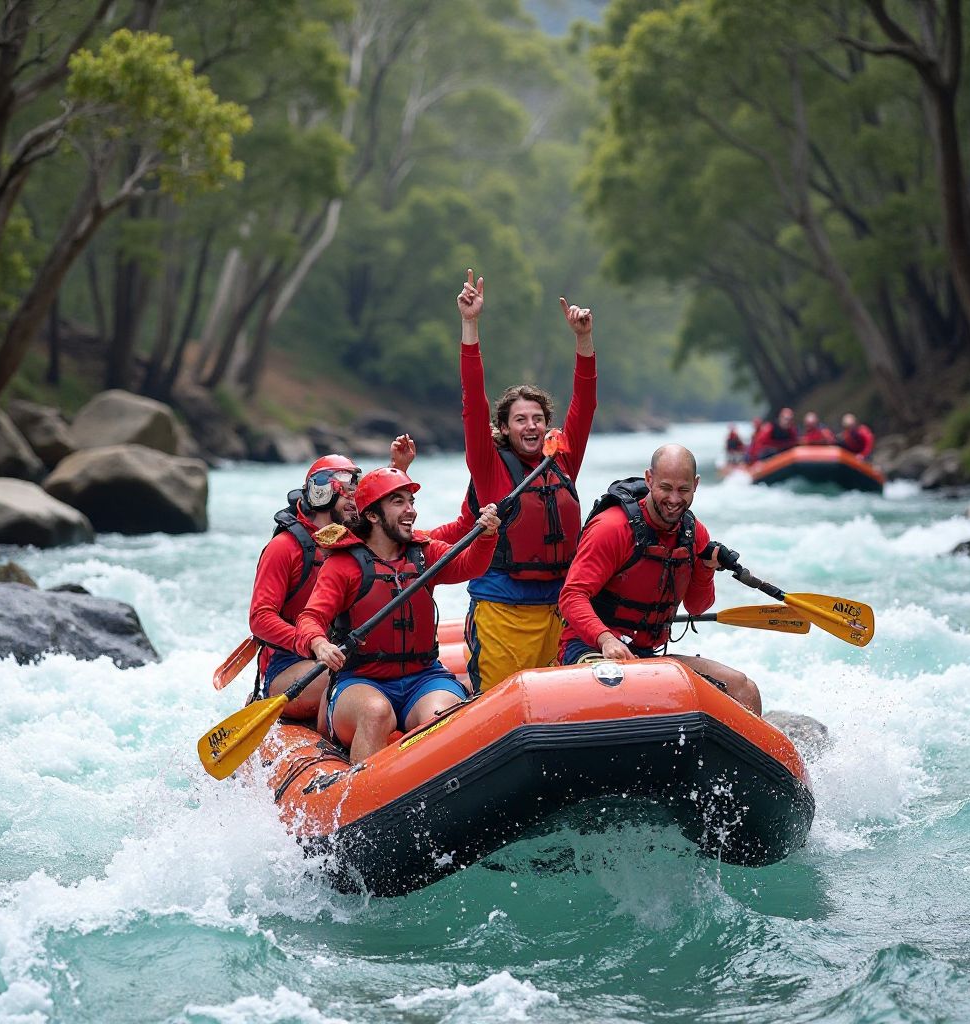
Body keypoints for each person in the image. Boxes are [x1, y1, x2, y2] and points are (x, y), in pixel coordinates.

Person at [431, 269, 597, 692]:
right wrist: (470, 325)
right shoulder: (488, 467)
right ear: (503, 428)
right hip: (501, 611)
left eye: (539, 419)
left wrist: (583, 341)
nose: (532, 426)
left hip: (557, 609)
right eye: (520, 419)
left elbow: (586, 403)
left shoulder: (561, 461)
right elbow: (473, 401)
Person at [295, 467, 501, 762]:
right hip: (361, 681)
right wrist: (319, 643)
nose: (411, 511)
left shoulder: (423, 554)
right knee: (375, 712)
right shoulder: (344, 565)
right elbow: (310, 618)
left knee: (443, 714)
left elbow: (470, 566)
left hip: (423, 677)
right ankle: (361, 800)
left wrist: (487, 536)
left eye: (412, 502)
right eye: (399, 502)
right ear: (373, 515)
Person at [557, 444, 762, 714]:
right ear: (649, 479)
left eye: (683, 490)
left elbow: (697, 607)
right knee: (624, 693)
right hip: (590, 647)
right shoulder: (611, 528)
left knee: (743, 688)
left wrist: (706, 568)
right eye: (665, 488)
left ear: (696, 485)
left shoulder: (694, 533)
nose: (674, 499)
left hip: (644, 657)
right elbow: (571, 597)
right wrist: (606, 639)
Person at [247, 438, 415, 720]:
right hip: (290, 664)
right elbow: (260, 618)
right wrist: (314, 644)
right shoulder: (284, 548)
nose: (356, 502)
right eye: (349, 494)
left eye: (357, 494)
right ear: (323, 493)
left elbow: (387, 521)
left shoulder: (353, 541)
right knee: (352, 682)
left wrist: (397, 468)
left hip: (340, 653)